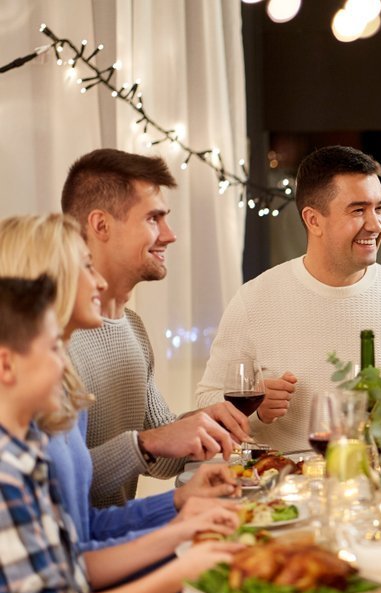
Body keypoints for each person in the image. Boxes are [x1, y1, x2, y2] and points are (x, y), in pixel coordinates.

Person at [0, 274, 242, 593]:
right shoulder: (7, 471)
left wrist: (182, 529)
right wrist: (178, 571)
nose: (67, 365)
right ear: (7, 366)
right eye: (54, 349)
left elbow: (76, 561)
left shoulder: (28, 452)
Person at [196, 145, 381, 452]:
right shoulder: (254, 300)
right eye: (358, 210)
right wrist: (257, 409)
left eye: (379, 208)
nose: (376, 224)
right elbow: (209, 400)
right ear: (314, 221)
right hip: (282, 487)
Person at [0, 213, 240, 552]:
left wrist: (180, 499)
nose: (99, 282)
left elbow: (84, 528)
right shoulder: (25, 402)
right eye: (153, 219)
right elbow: (72, 570)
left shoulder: (67, 384)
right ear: (48, 279)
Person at [62, 148, 251, 508]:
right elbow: (55, 480)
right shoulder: (52, 337)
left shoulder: (132, 327)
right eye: (153, 219)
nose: (170, 235)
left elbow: (163, 458)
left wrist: (209, 421)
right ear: (100, 225)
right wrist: (150, 442)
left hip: (119, 536)